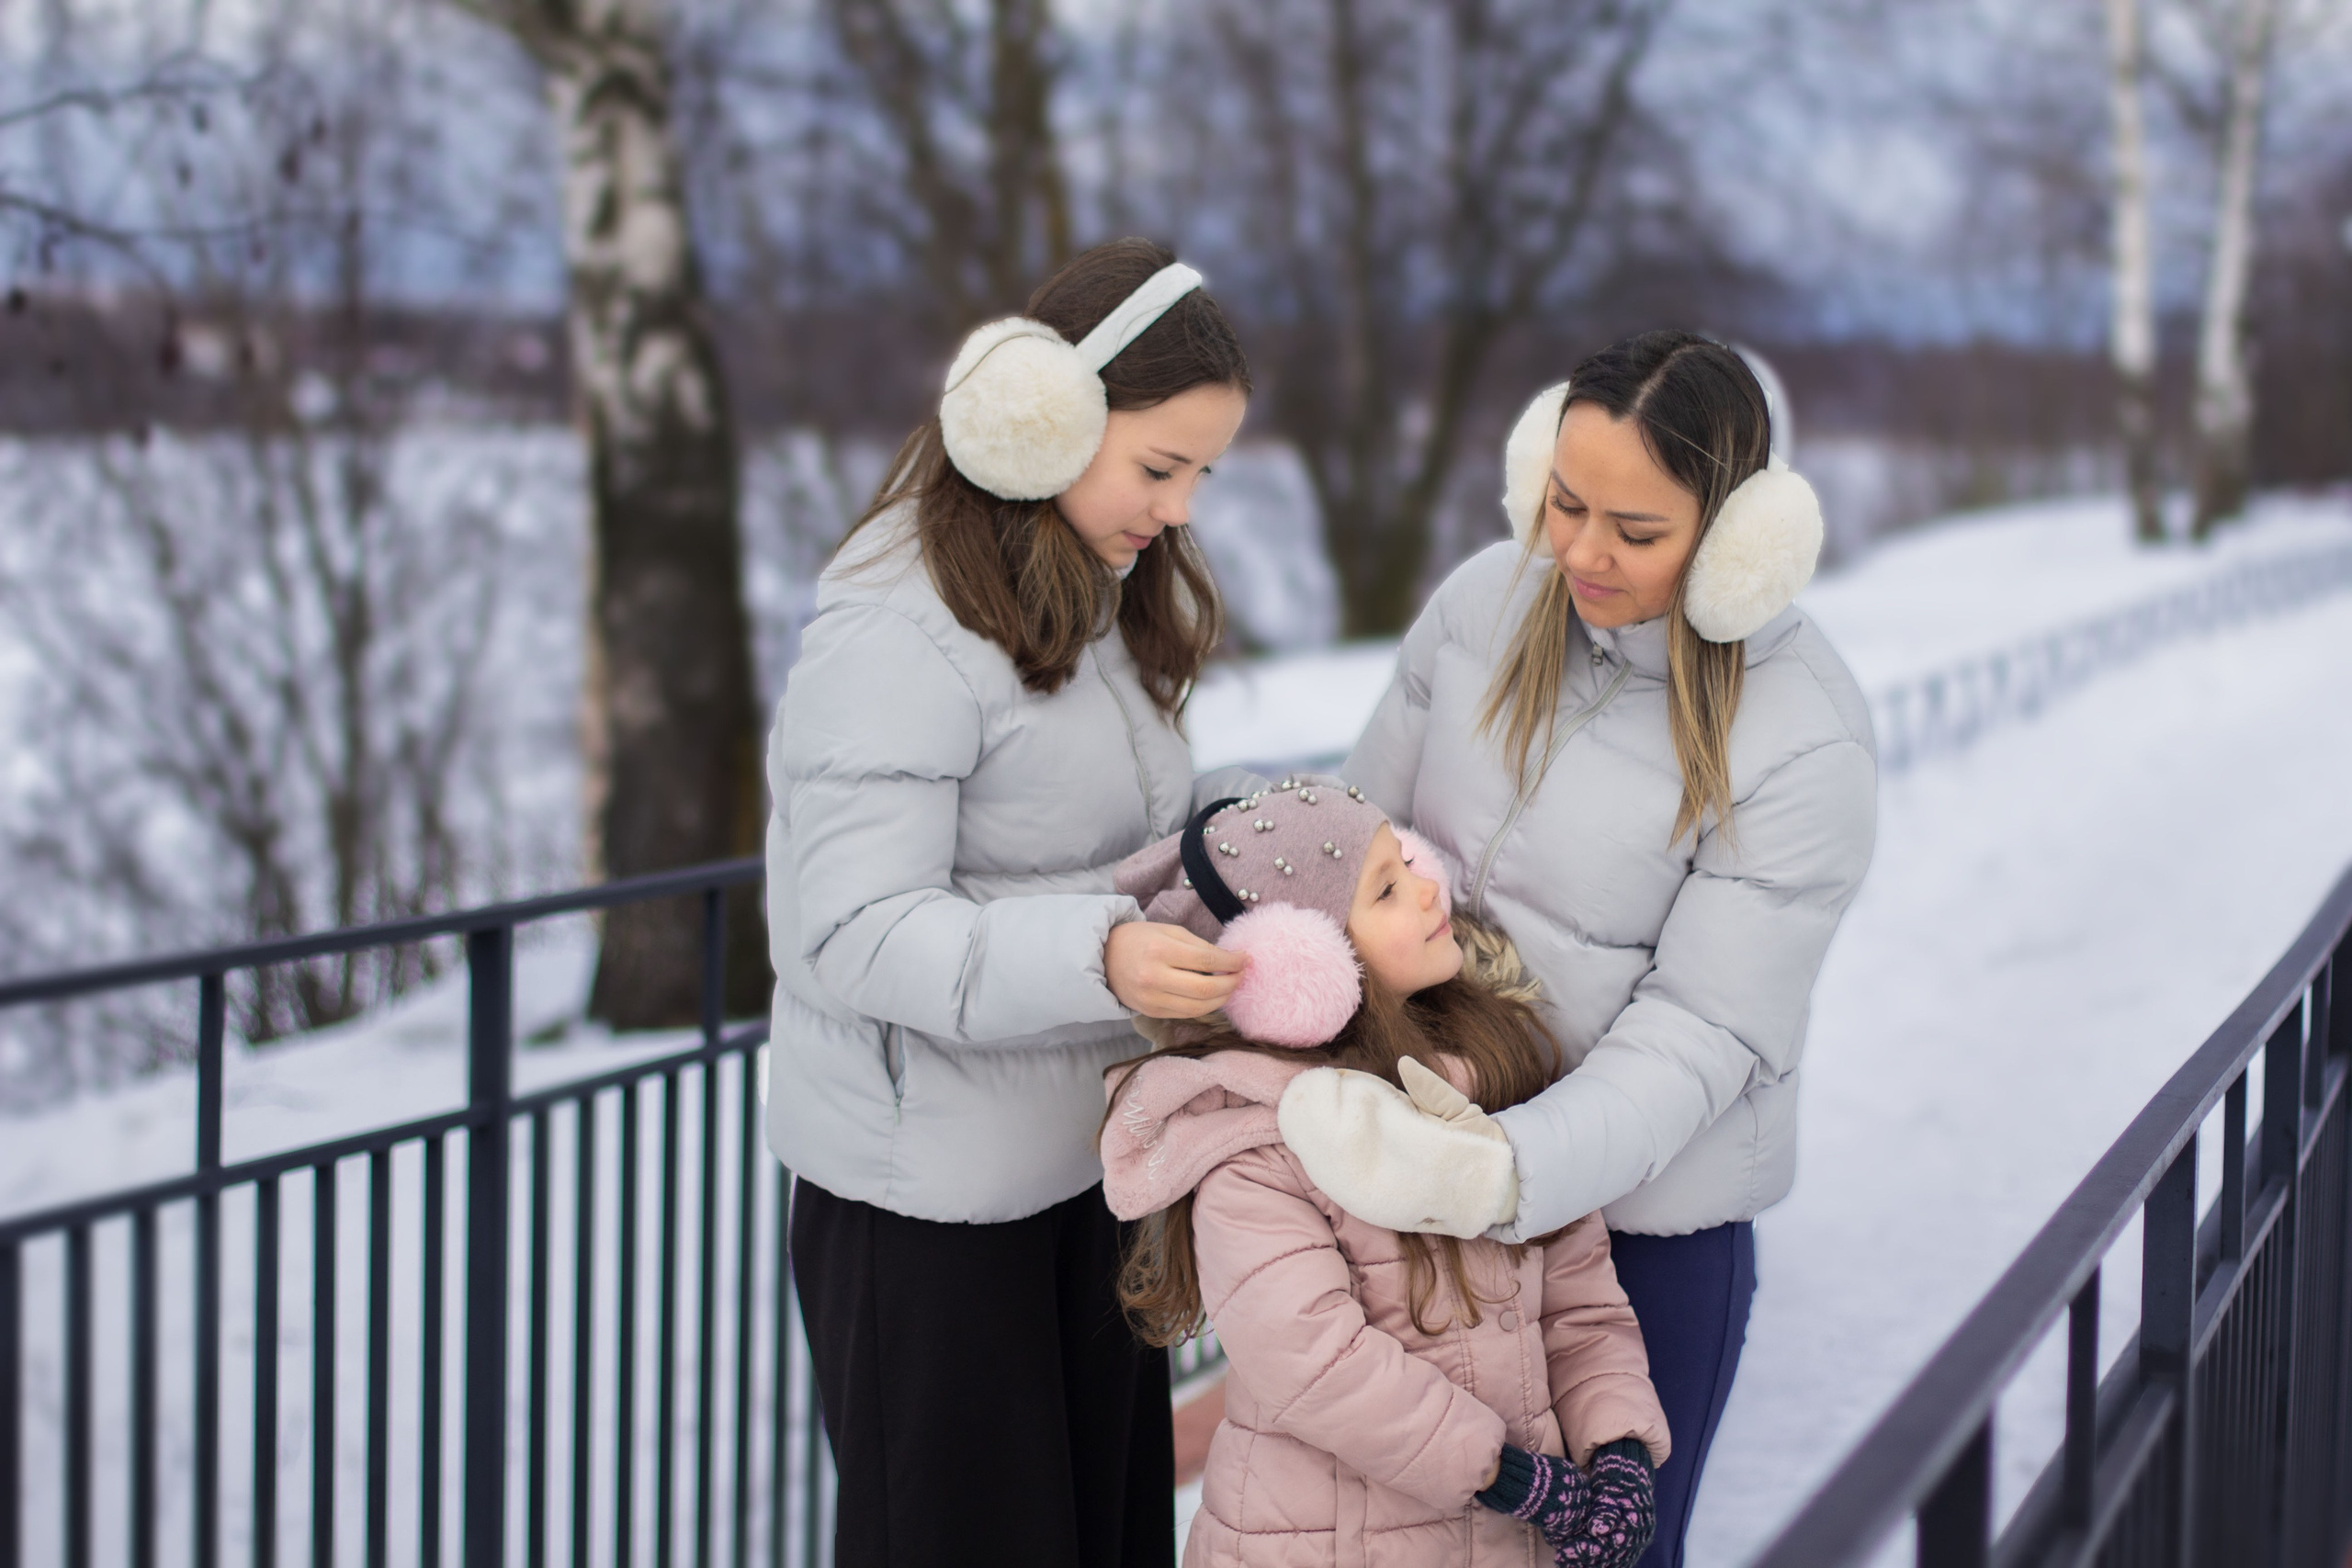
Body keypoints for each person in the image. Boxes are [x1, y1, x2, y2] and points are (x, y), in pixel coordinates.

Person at [1277, 331, 1878, 1567]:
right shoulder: (1481, 604)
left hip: (1642, 1242)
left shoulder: (1806, 739)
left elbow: (1704, 1028)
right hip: (1420, 1202)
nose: (1580, 553)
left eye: (1637, 531)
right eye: (1564, 501)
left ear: (1737, 544)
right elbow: (1357, 845)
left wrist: (1499, 1172)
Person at [764, 237, 1266, 1568]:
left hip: (1082, 1174)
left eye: (1203, 473)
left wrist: (1234, 847)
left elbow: (1090, 831)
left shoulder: (1093, 595)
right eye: (1160, 465)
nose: (1179, 507)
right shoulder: (896, 623)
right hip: (926, 1208)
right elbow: (854, 927)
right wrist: (1104, 956)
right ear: (1040, 418)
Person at [1099, 783, 1669, 1567]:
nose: (1430, 884)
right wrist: (1511, 1478)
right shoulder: (1252, 1150)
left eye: (1407, 859)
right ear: (1305, 967)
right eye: (1388, 889)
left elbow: (1580, 1298)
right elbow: (1317, 1362)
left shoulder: (1497, 1079)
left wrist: (1618, 1450)